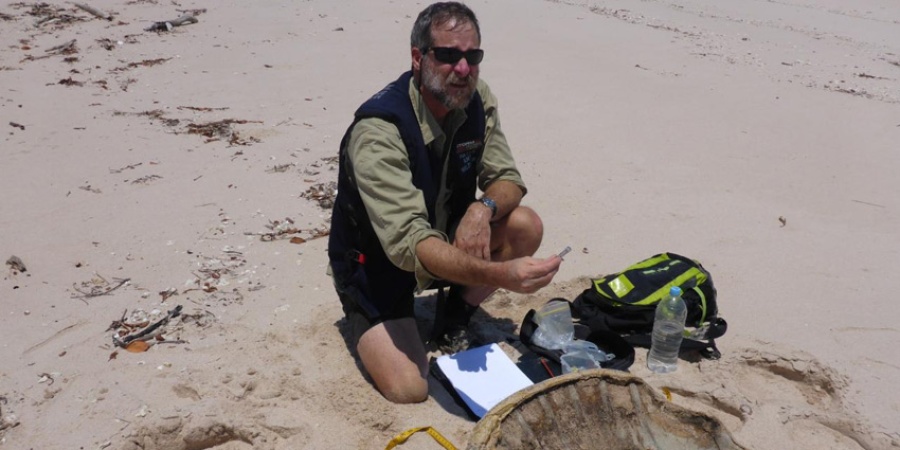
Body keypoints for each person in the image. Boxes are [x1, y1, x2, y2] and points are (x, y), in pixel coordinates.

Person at [328, 2, 562, 404]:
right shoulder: (379, 131)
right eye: (448, 56)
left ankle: (454, 314)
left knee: (525, 226)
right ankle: (365, 319)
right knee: (409, 389)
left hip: (447, 237)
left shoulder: (475, 97)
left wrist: (480, 209)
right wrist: (501, 275)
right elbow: (411, 244)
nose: (463, 69)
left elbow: (507, 179)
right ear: (419, 58)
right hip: (380, 265)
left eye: (473, 57)